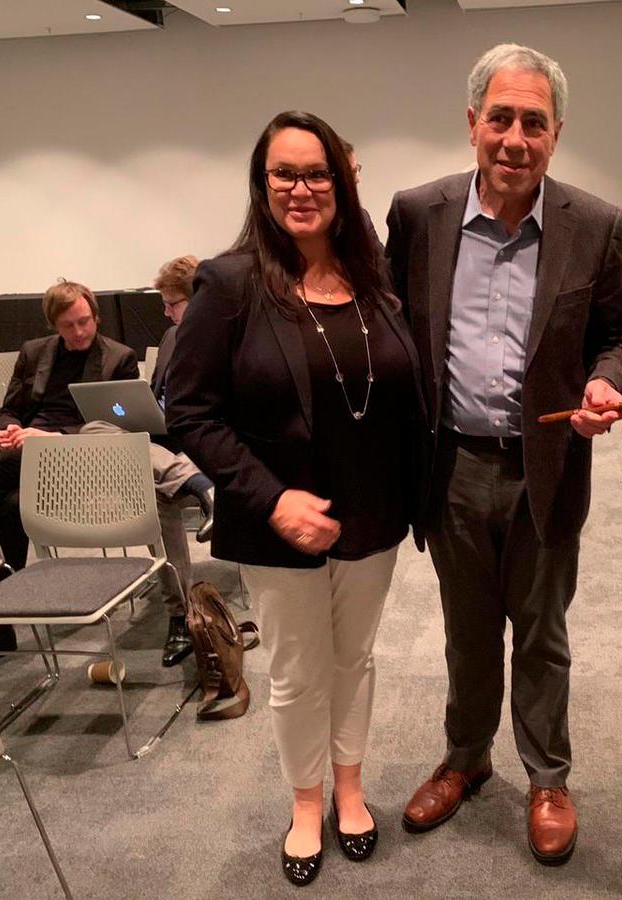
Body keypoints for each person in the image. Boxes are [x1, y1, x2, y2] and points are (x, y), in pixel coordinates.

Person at [386, 43, 622, 865]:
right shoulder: (417, 214)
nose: (515, 139)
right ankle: (466, 759)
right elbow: (390, 333)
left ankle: (548, 776)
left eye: (534, 122)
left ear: (556, 134)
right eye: (501, 118)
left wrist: (606, 382)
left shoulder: (594, 225)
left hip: (547, 467)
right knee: (465, 630)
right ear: (472, 124)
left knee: (541, 631)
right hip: (451, 465)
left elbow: (615, 339)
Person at [166, 110, 426, 887]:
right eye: (284, 173)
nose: (301, 188)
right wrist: (272, 499)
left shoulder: (374, 276)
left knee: (356, 659)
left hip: (373, 517)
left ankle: (351, 787)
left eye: (317, 173)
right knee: (295, 673)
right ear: (263, 184)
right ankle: (306, 803)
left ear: (342, 184)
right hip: (281, 522)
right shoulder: (231, 282)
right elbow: (189, 412)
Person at [0, 281, 139, 660]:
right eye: (69, 325)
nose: (79, 332)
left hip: (82, 455)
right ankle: (0, 620)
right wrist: (12, 427)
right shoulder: (34, 353)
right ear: (54, 325)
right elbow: (10, 407)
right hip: (29, 454)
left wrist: (49, 435)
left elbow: (117, 421)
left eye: (85, 322)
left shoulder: (120, 358)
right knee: (12, 503)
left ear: (96, 317)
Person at [80, 255, 215, 667]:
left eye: (171, 304)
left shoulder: (222, 339)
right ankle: (198, 486)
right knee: (93, 428)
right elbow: (157, 394)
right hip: (161, 440)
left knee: (156, 494)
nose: (166, 312)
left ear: (195, 301)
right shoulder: (172, 338)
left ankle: (181, 614)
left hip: (199, 441)